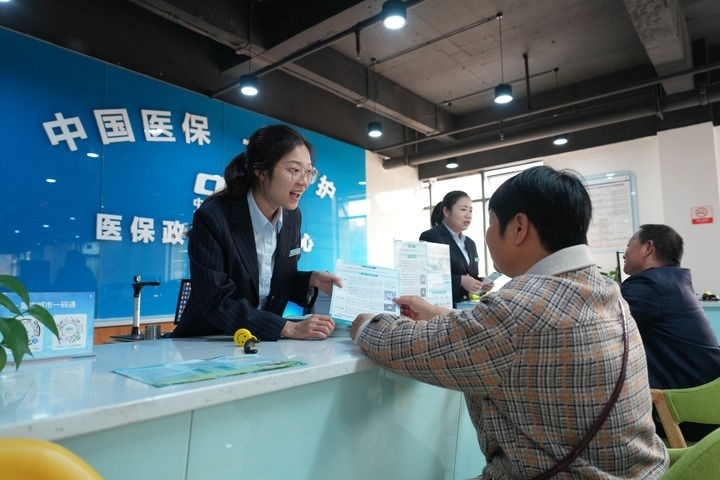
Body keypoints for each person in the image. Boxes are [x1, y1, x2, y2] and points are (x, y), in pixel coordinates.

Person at [351, 166, 668, 479]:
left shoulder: (518, 309)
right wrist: (437, 312)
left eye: (491, 224)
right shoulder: (609, 292)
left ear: (519, 228)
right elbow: (511, 331)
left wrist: (365, 320)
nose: (486, 234)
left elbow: (404, 346)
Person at [173, 124, 342, 341]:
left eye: (309, 172)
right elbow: (215, 301)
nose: (304, 182)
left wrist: (311, 280)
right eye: (294, 170)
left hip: (260, 343)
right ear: (261, 171)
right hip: (209, 341)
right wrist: (286, 328)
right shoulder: (214, 217)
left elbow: (274, 281)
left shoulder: (292, 217)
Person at [621, 223, 720, 441]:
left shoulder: (649, 285)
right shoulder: (672, 282)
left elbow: (597, 317)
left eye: (628, 245)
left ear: (648, 248)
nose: (625, 253)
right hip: (708, 407)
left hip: (685, 414)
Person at [419, 191, 491, 306]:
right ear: (446, 211)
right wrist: (460, 281)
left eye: (470, 210)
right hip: (441, 307)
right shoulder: (431, 237)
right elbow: (427, 277)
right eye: (463, 209)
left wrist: (481, 285)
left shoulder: (470, 243)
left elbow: (470, 277)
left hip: (465, 307)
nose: (468, 215)